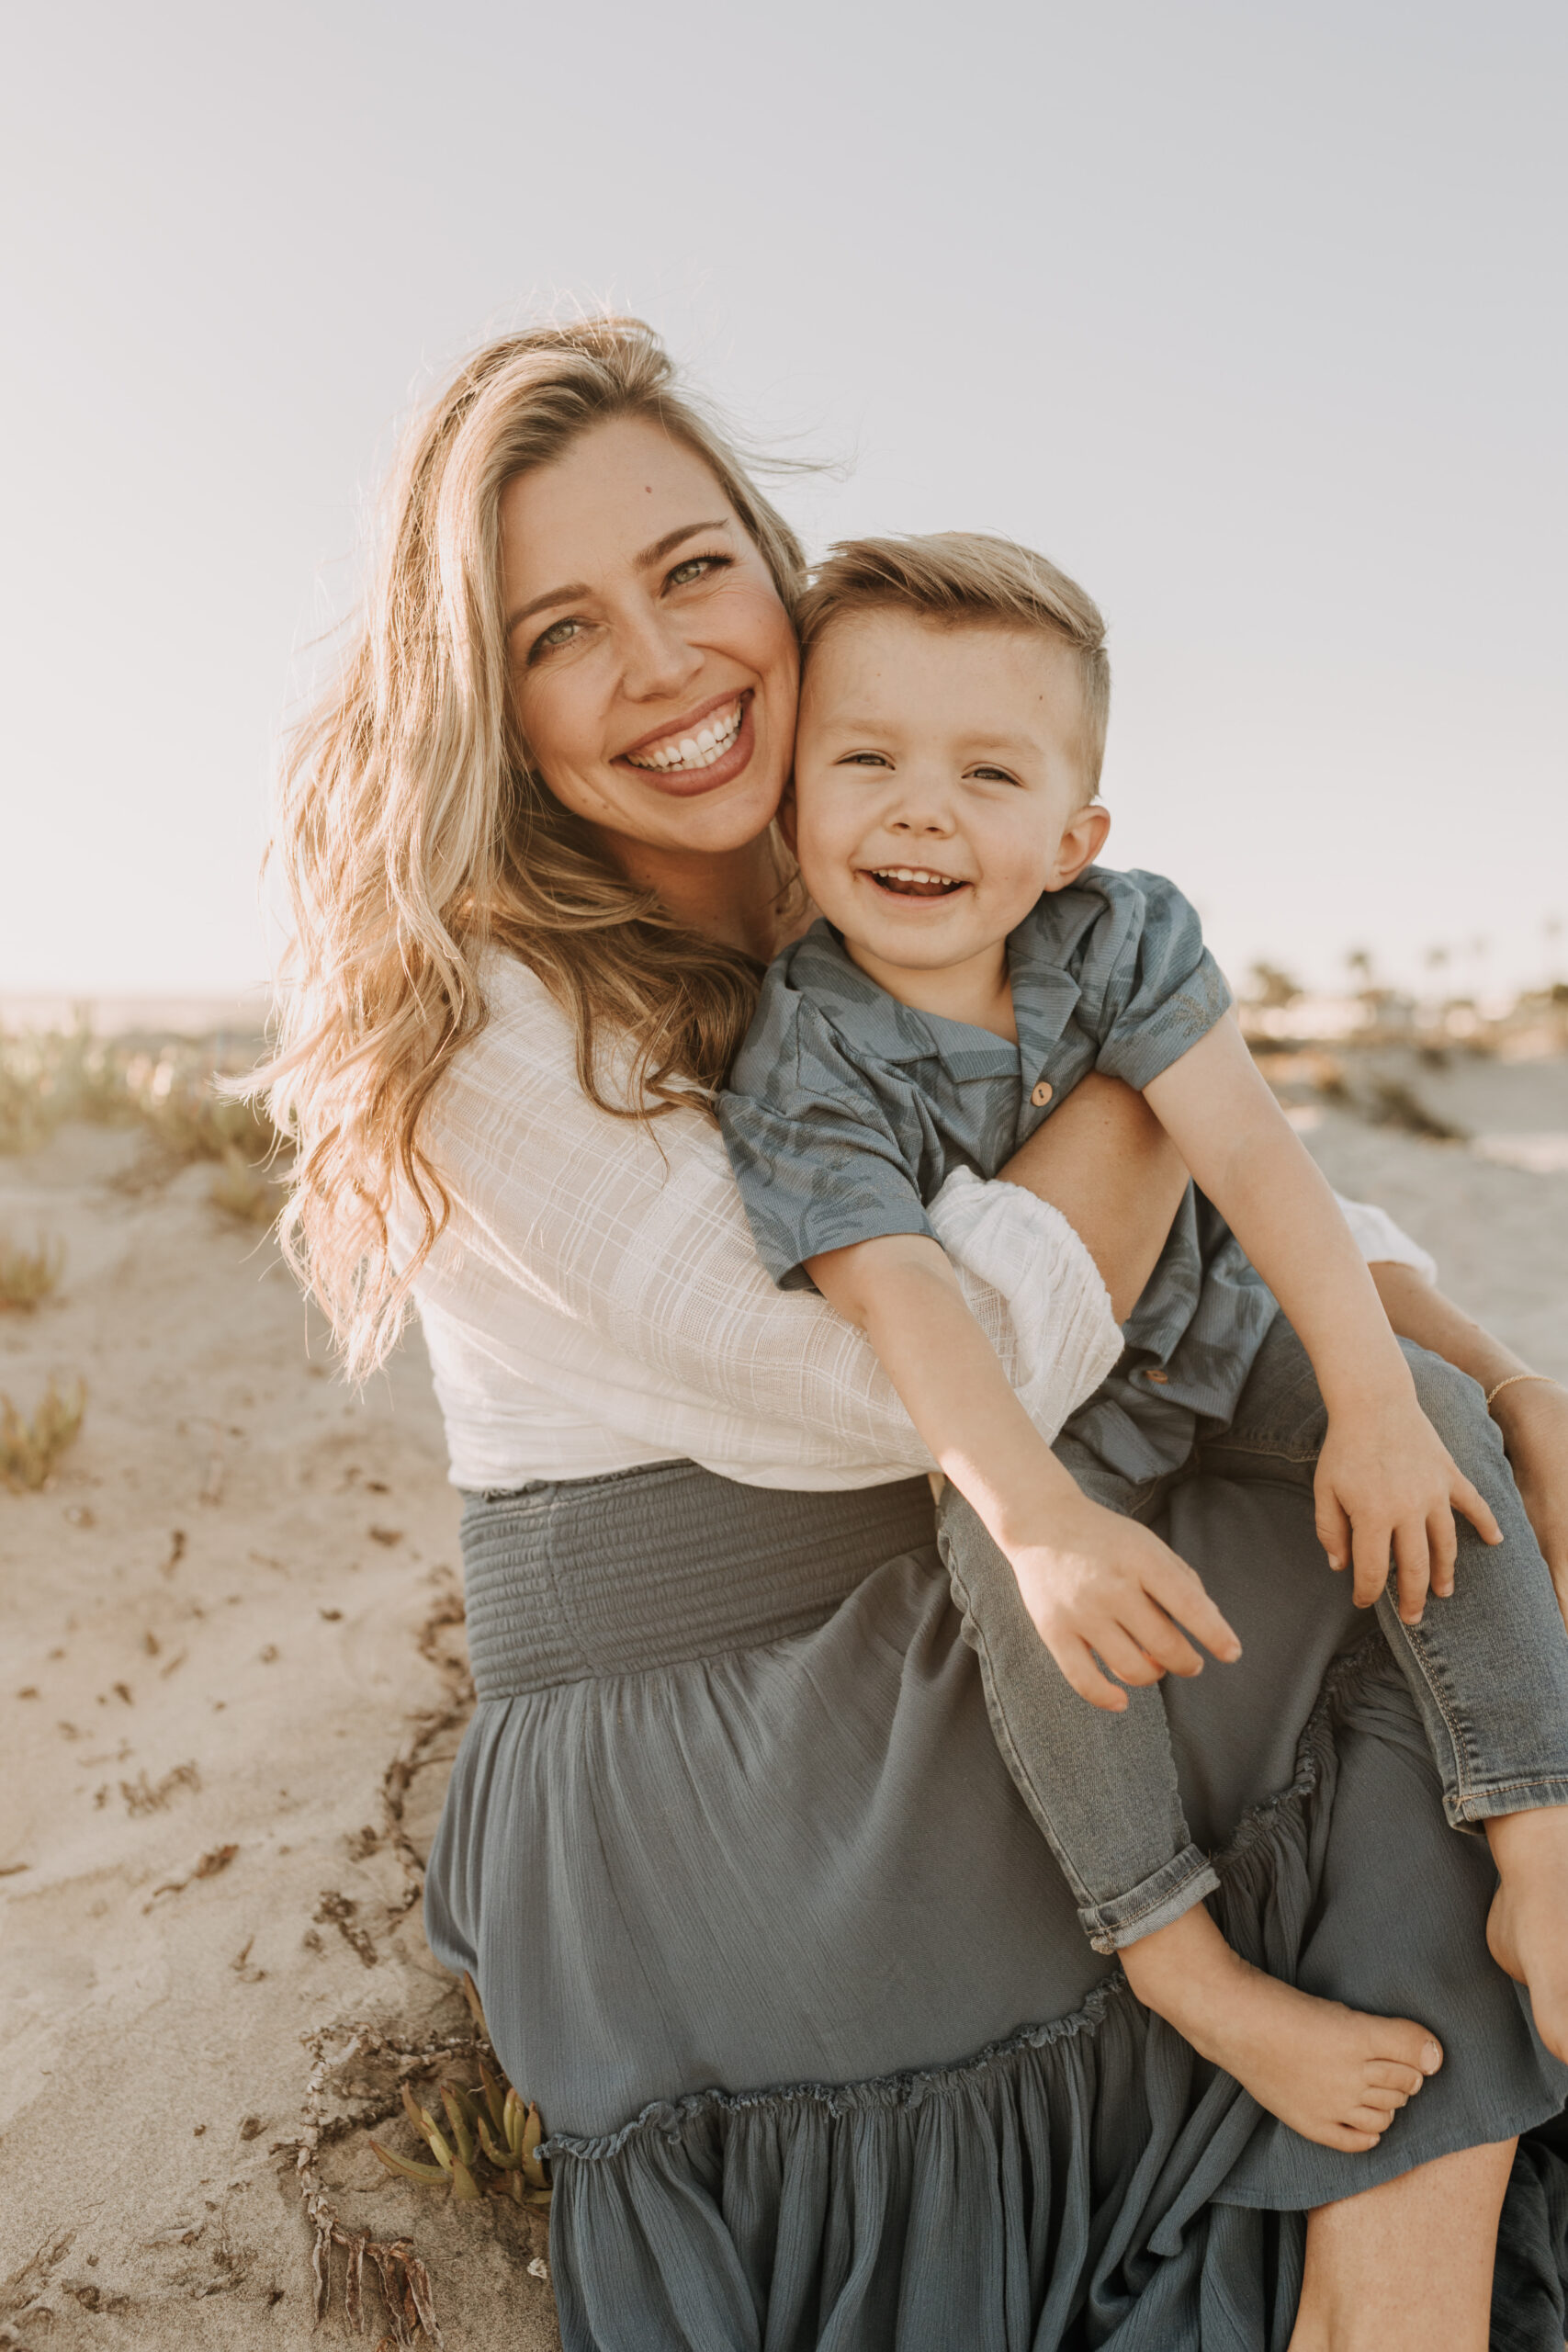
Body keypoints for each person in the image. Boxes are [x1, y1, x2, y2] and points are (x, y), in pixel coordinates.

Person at [263, 317, 1568, 2350]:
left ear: (777, 572)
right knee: (1372, 1605)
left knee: (1436, 1534)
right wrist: (1144, 1073)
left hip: (942, 1596)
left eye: (694, 570)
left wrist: (1484, 1374)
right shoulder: (479, 1014)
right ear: (486, 701)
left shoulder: (850, 856)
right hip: (723, 1745)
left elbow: (1240, 1211)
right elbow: (878, 1380)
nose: (668, 663)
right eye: (559, 632)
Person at [718, 527, 1568, 2155]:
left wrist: (1378, 1399)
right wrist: (1042, 1524)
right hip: (1056, 1417)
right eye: (869, 758)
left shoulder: (1117, 935)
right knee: (1004, 1558)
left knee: (1435, 1411)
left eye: (987, 772)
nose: (919, 809)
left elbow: (1256, 1161)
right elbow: (904, 1304)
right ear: (792, 797)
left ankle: (1539, 1842)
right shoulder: (801, 1053)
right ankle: (1184, 1966)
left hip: (1216, 1328)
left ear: (1071, 832)